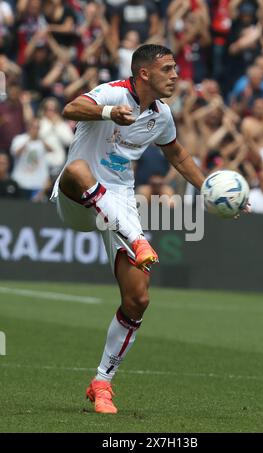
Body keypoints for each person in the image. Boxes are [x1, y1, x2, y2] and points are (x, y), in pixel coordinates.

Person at [51, 44, 207, 414]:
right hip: (76, 198)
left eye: (175, 69)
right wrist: (107, 112)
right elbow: (69, 108)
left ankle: (101, 382)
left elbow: (178, 155)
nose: (175, 75)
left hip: (118, 200)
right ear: (144, 74)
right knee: (75, 170)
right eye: (168, 69)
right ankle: (137, 239)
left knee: (138, 299)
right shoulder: (113, 92)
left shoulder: (162, 115)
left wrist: (210, 189)